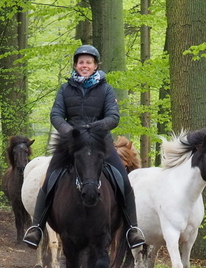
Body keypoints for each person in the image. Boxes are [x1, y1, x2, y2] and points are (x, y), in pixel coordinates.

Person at [22, 44, 146, 249]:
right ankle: (36, 227)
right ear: (76, 65)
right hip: (72, 143)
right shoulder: (65, 89)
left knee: (123, 180)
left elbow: (113, 117)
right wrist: (70, 132)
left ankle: (132, 229)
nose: (84, 65)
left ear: (95, 65)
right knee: (50, 178)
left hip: (100, 143)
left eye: (88, 62)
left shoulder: (106, 89)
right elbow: (56, 115)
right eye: (81, 62)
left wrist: (95, 128)